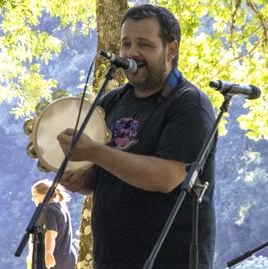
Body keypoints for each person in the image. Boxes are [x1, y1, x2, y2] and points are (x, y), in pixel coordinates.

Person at [57, 4, 216, 269]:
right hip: (110, 260)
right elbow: (100, 176)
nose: (131, 53)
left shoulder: (190, 104)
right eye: (125, 44)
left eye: (144, 44)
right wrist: (80, 178)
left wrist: (94, 151)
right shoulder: (111, 101)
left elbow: (167, 177)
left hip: (171, 262)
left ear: (171, 50)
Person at [28, 179, 77, 269]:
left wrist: (48, 253)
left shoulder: (48, 210)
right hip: (67, 258)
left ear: (45, 194)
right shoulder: (61, 207)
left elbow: (50, 233)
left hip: (53, 261)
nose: (33, 199)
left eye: (35, 196)